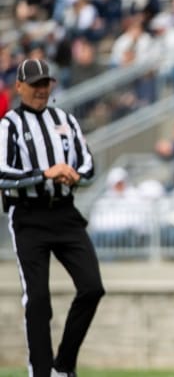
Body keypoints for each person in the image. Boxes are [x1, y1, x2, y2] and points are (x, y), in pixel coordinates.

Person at [0, 58, 105, 377]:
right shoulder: (9, 125)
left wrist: (73, 176)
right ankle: (41, 371)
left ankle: (63, 366)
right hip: (28, 217)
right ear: (19, 87)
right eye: (34, 85)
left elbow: (88, 166)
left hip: (64, 213)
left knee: (92, 287)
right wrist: (44, 174)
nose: (41, 90)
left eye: (46, 84)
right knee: (38, 300)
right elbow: (2, 174)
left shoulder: (65, 120)